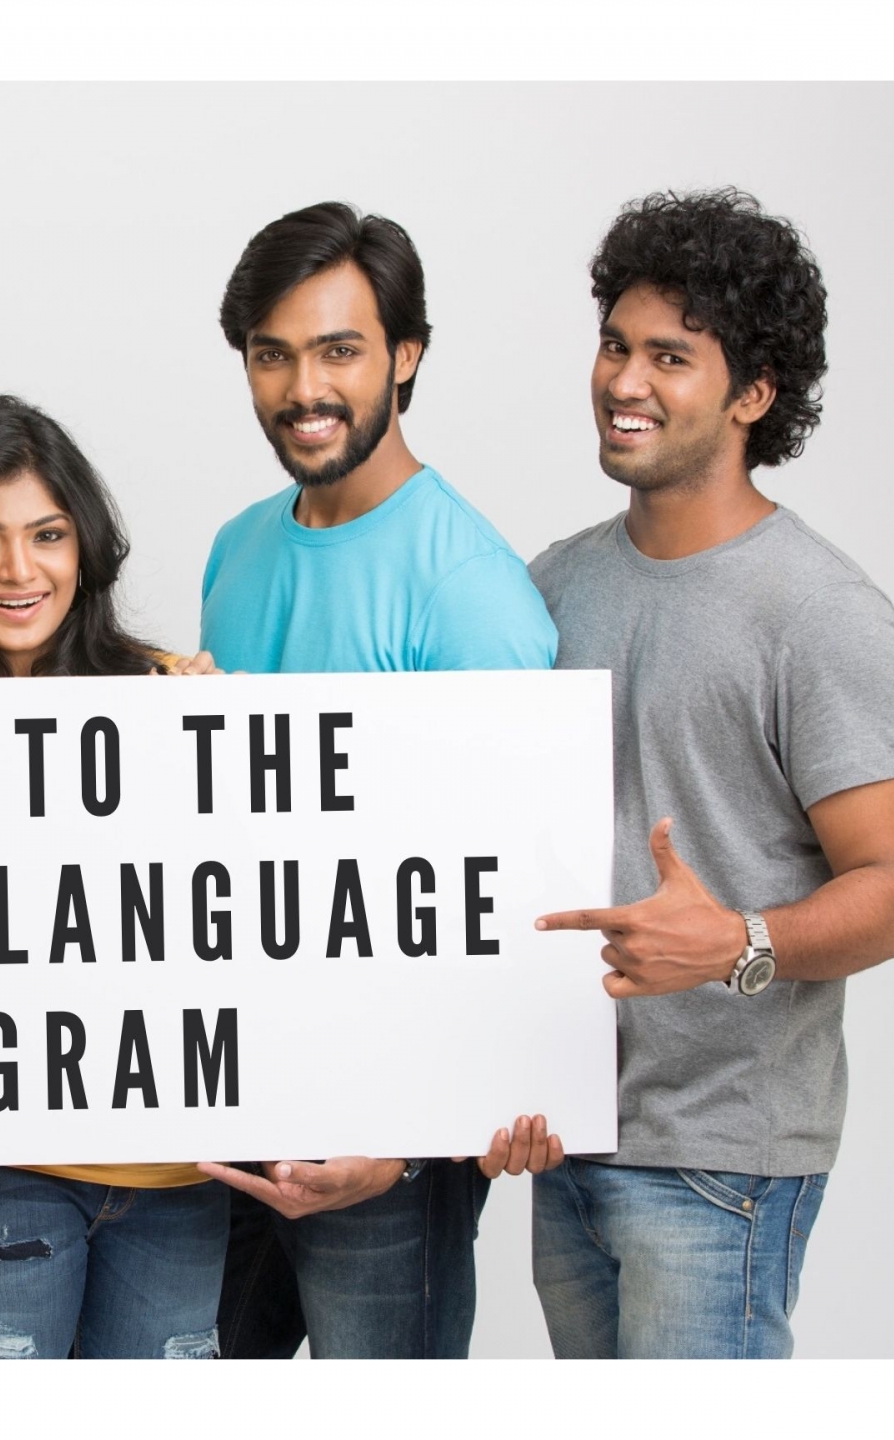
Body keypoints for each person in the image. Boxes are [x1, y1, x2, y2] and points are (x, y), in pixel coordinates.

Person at [527, 189, 894, 1359]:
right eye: (615, 344)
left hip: (722, 1161)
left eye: (670, 357)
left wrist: (739, 942)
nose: (624, 382)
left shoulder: (821, 613)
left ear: (753, 395)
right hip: (572, 1138)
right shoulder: (553, 585)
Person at [193, 201, 564, 1360]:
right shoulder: (237, 546)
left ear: (406, 356)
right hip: (234, 1093)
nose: (304, 387)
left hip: (380, 1140)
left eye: (340, 350)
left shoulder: (472, 591)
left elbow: (510, 907)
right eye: (273, 354)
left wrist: (400, 1146)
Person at [0, 393, 227, 1360]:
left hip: (172, 1178)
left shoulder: (171, 694)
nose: (19, 571)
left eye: (48, 535)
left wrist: (220, 763)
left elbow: (231, 918)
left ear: (84, 546)